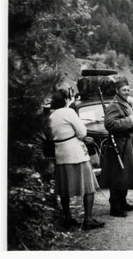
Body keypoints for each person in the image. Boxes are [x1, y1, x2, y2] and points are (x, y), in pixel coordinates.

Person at [49, 89, 105, 230]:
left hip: (60, 153)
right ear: (66, 100)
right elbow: (82, 132)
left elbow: (51, 136)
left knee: (64, 188)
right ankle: (88, 219)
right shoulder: (69, 112)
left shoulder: (51, 116)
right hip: (75, 153)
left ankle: (68, 217)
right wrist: (81, 137)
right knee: (89, 187)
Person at [102, 77, 133, 217]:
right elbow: (109, 124)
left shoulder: (124, 103)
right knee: (117, 174)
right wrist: (128, 121)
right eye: (124, 90)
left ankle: (123, 202)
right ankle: (115, 206)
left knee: (125, 174)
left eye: (128, 90)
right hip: (119, 144)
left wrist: (132, 123)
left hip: (127, 142)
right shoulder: (114, 105)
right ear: (117, 90)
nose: (127, 92)